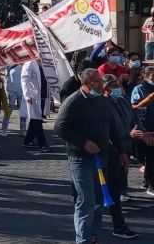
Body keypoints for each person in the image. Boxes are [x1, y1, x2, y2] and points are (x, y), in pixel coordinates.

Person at [54, 68, 129, 244]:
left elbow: (111, 128)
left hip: (101, 157)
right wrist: (83, 142)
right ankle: (83, 239)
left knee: (98, 198)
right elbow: (59, 127)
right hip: (80, 159)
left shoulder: (103, 101)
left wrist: (122, 150)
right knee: (86, 199)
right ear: (85, 84)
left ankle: (93, 234)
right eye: (96, 81)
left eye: (101, 81)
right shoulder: (74, 101)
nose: (101, 85)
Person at [100, 74, 140, 238]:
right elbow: (107, 131)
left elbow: (133, 120)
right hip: (109, 152)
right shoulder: (101, 105)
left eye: (117, 83)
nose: (116, 87)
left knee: (118, 185)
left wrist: (140, 132)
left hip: (124, 148)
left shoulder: (122, 101)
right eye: (112, 85)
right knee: (111, 188)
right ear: (104, 88)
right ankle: (118, 225)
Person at [131, 66, 154, 194]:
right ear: (145, 77)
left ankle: (146, 182)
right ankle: (151, 185)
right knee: (150, 157)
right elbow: (136, 108)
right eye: (152, 77)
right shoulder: (139, 89)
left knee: (151, 158)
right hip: (146, 128)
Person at [21, 60, 51, 152]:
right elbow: (24, 80)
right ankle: (42, 144)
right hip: (33, 97)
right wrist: (27, 95)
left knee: (35, 119)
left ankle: (28, 140)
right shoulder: (29, 63)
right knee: (37, 120)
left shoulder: (44, 63)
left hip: (43, 96)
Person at [2, 64, 26, 135]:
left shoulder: (25, 63)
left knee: (23, 111)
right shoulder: (9, 62)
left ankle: (23, 129)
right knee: (8, 110)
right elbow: (0, 67)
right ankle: (4, 128)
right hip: (11, 91)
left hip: (22, 91)